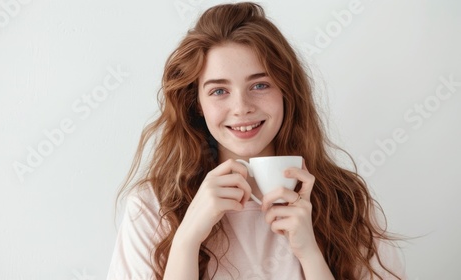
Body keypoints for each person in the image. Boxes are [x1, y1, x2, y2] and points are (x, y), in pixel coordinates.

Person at [107, 2, 406, 280]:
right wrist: (187, 240)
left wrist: (310, 254)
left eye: (260, 85)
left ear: (286, 92)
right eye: (219, 91)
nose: (241, 107)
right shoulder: (150, 207)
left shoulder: (347, 202)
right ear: (196, 103)